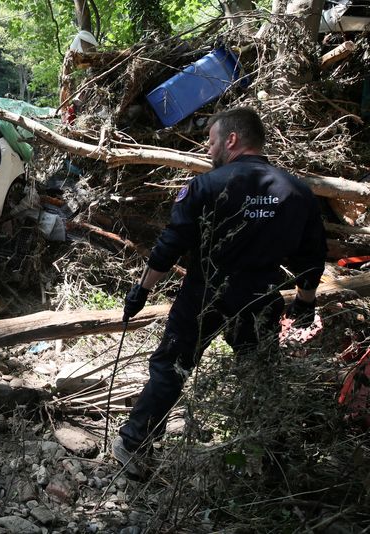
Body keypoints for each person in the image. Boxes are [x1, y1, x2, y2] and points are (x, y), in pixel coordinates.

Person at [112, 107, 327, 477]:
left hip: (203, 296)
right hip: (259, 299)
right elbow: (312, 257)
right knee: (259, 373)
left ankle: (134, 446)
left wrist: (142, 290)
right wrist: (305, 304)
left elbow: (171, 244)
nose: (208, 149)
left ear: (231, 140)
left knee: (170, 369)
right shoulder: (297, 191)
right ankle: (274, 461)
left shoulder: (206, 186)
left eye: (211, 141)